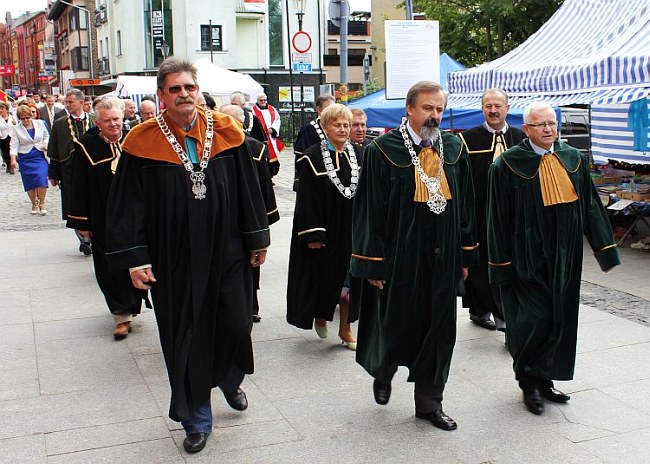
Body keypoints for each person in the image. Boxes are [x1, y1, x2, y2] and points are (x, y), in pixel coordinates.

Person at [105, 57, 271, 454]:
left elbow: (249, 188)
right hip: (173, 257)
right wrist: (136, 258)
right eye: (175, 89)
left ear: (198, 91)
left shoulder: (227, 131)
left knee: (236, 322)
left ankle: (228, 377)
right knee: (185, 336)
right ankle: (196, 417)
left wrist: (257, 239)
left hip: (227, 249)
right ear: (162, 95)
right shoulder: (142, 141)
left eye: (189, 87)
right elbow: (128, 206)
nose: (184, 94)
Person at [350, 81, 478, 431]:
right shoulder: (382, 150)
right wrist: (372, 262)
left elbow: (466, 204)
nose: (434, 115)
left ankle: (430, 403)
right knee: (395, 324)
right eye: (427, 108)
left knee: (439, 330)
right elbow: (370, 210)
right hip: (399, 256)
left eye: (439, 109)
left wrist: (466, 254)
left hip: (443, 256)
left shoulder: (454, 147)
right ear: (409, 109)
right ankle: (383, 370)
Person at [486, 102, 620, 416]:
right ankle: (528, 382)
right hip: (526, 258)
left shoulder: (573, 158)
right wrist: (501, 265)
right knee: (535, 319)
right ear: (527, 129)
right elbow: (497, 219)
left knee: (561, 317)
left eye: (552, 123)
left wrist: (605, 249)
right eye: (541, 124)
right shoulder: (506, 165)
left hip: (566, 256)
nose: (548, 129)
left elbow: (590, 205)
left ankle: (545, 379)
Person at [66, 97, 146, 339]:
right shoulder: (85, 147)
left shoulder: (136, 139)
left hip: (135, 214)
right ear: (98, 123)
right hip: (103, 215)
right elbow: (78, 186)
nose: (113, 124)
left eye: (116, 119)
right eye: (108, 120)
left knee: (138, 258)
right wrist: (82, 222)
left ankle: (134, 303)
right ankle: (121, 315)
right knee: (109, 264)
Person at [287, 104, 362, 350]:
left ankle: (346, 328)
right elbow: (307, 199)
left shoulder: (359, 153)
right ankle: (321, 314)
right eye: (337, 125)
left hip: (352, 228)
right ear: (325, 127)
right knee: (326, 279)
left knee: (350, 279)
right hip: (326, 229)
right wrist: (314, 233)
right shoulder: (312, 157)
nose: (343, 129)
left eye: (346, 125)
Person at [458, 88, 526, 332]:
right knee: (479, 265)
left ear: (507, 108)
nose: (493, 110)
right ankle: (484, 311)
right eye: (488, 106)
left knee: (507, 262)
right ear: (482, 109)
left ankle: (502, 313)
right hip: (479, 214)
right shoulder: (467, 139)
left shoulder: (521, 138)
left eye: (498, 106)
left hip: (513, 215)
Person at [220, 103, 280, 323]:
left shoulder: (255, 148)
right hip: (224, 216)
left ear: (241, 123)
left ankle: (251, 305)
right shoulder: (215, 148)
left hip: (250, 215)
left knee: (252, 261)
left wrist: (265, 219)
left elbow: (264, 185)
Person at [47, 89, 95, 256]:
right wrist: (54, 174)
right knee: (73, 205)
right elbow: (55, 149)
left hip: (92, 170)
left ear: (81, 102)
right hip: (70, 172)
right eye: (66, 102)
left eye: (70, 102)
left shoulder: (94, 120)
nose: (67, 105)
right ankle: (84, 240)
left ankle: (93, 236)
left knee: (93, 203)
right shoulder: (60, 123)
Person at [9, 105, 50, 214]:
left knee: (41, 178)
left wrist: (45, 143)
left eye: (27, 117)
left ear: (31, 116)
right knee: (29, 181)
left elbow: (46, 136)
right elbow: (13, 145)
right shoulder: (16, 129)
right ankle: (34, 203)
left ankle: (42, 203)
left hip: (40, 155)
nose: (26, 120)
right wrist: (13, 159)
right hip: (25, 157)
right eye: (22, 118)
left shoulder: (40, 123)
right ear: (19, 118)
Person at [293, 94, 335, 190]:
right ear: (319, 110)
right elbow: (301, 156)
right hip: (315, 176)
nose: (331, 111)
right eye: (327, 108)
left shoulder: (338, 127)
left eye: (333, 108)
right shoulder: (308, 129)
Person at [252, 93, 282, 176]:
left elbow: (277, 120)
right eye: (261, 100)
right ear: (257, 101)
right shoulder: (253, 110)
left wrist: (273, 129)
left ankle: (271, 175)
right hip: (260, 137)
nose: (263, 102)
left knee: (273, 156)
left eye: (265, 100)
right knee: (263, 156)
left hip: (271, 137)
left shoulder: (272, 109)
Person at [0, 102, 17, 173]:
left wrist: (15, 123)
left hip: (12, 136)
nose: (1, 110)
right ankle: (8, 165)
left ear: (7, 109)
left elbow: (17, 126)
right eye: (0, 109)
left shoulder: (12, 117)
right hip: (3, 137)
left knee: (11, 150)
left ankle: (12, 167)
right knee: (5, 152)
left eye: (2, 109)